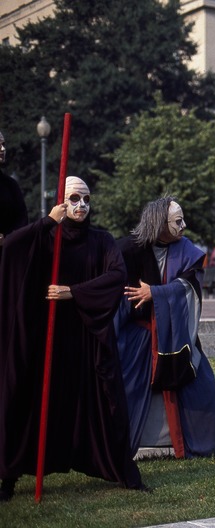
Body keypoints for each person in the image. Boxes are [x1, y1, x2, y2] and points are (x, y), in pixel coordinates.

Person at [0, 177, 145, 502]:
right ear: (61, 202)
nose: (81, 206)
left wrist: (73, 292)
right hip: (47, 339)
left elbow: (116, 275)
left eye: (86, 199)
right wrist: (48, 221)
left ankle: (120, 470)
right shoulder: (47, 237)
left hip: (87, 338)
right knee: (27, 401)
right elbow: (11, 248)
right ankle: (8, 478)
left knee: (106, 401)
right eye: (74, 199)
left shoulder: (102, 240)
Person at [115, 197, 215, 458]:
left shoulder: (186, 249)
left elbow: (189, 287)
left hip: (177, 337)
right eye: (178, 221)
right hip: (138, 335)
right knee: (126, 388)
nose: (184, 225)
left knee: (203, 389)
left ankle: (198, 446)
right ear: (159, 224)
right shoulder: (129, 250)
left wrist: (157, 293)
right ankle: (117, 449)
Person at [0, 130, 29, 261]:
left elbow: (22, 220)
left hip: (6, 257)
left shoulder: (11, 185)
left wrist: (8, 238)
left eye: (4, 144)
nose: (3, 149)